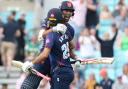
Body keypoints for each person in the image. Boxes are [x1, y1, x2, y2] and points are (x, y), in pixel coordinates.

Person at [21, 8, 74, 89]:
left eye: (70, 11)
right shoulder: (59, 32)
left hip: (58, 68)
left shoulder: (65, 31)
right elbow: (40, 37)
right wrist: (53, 29)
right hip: (52, 64)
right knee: (27, 86)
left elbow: (69, 47)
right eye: (65, 10)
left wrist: (31, 63)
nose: (68, 13)